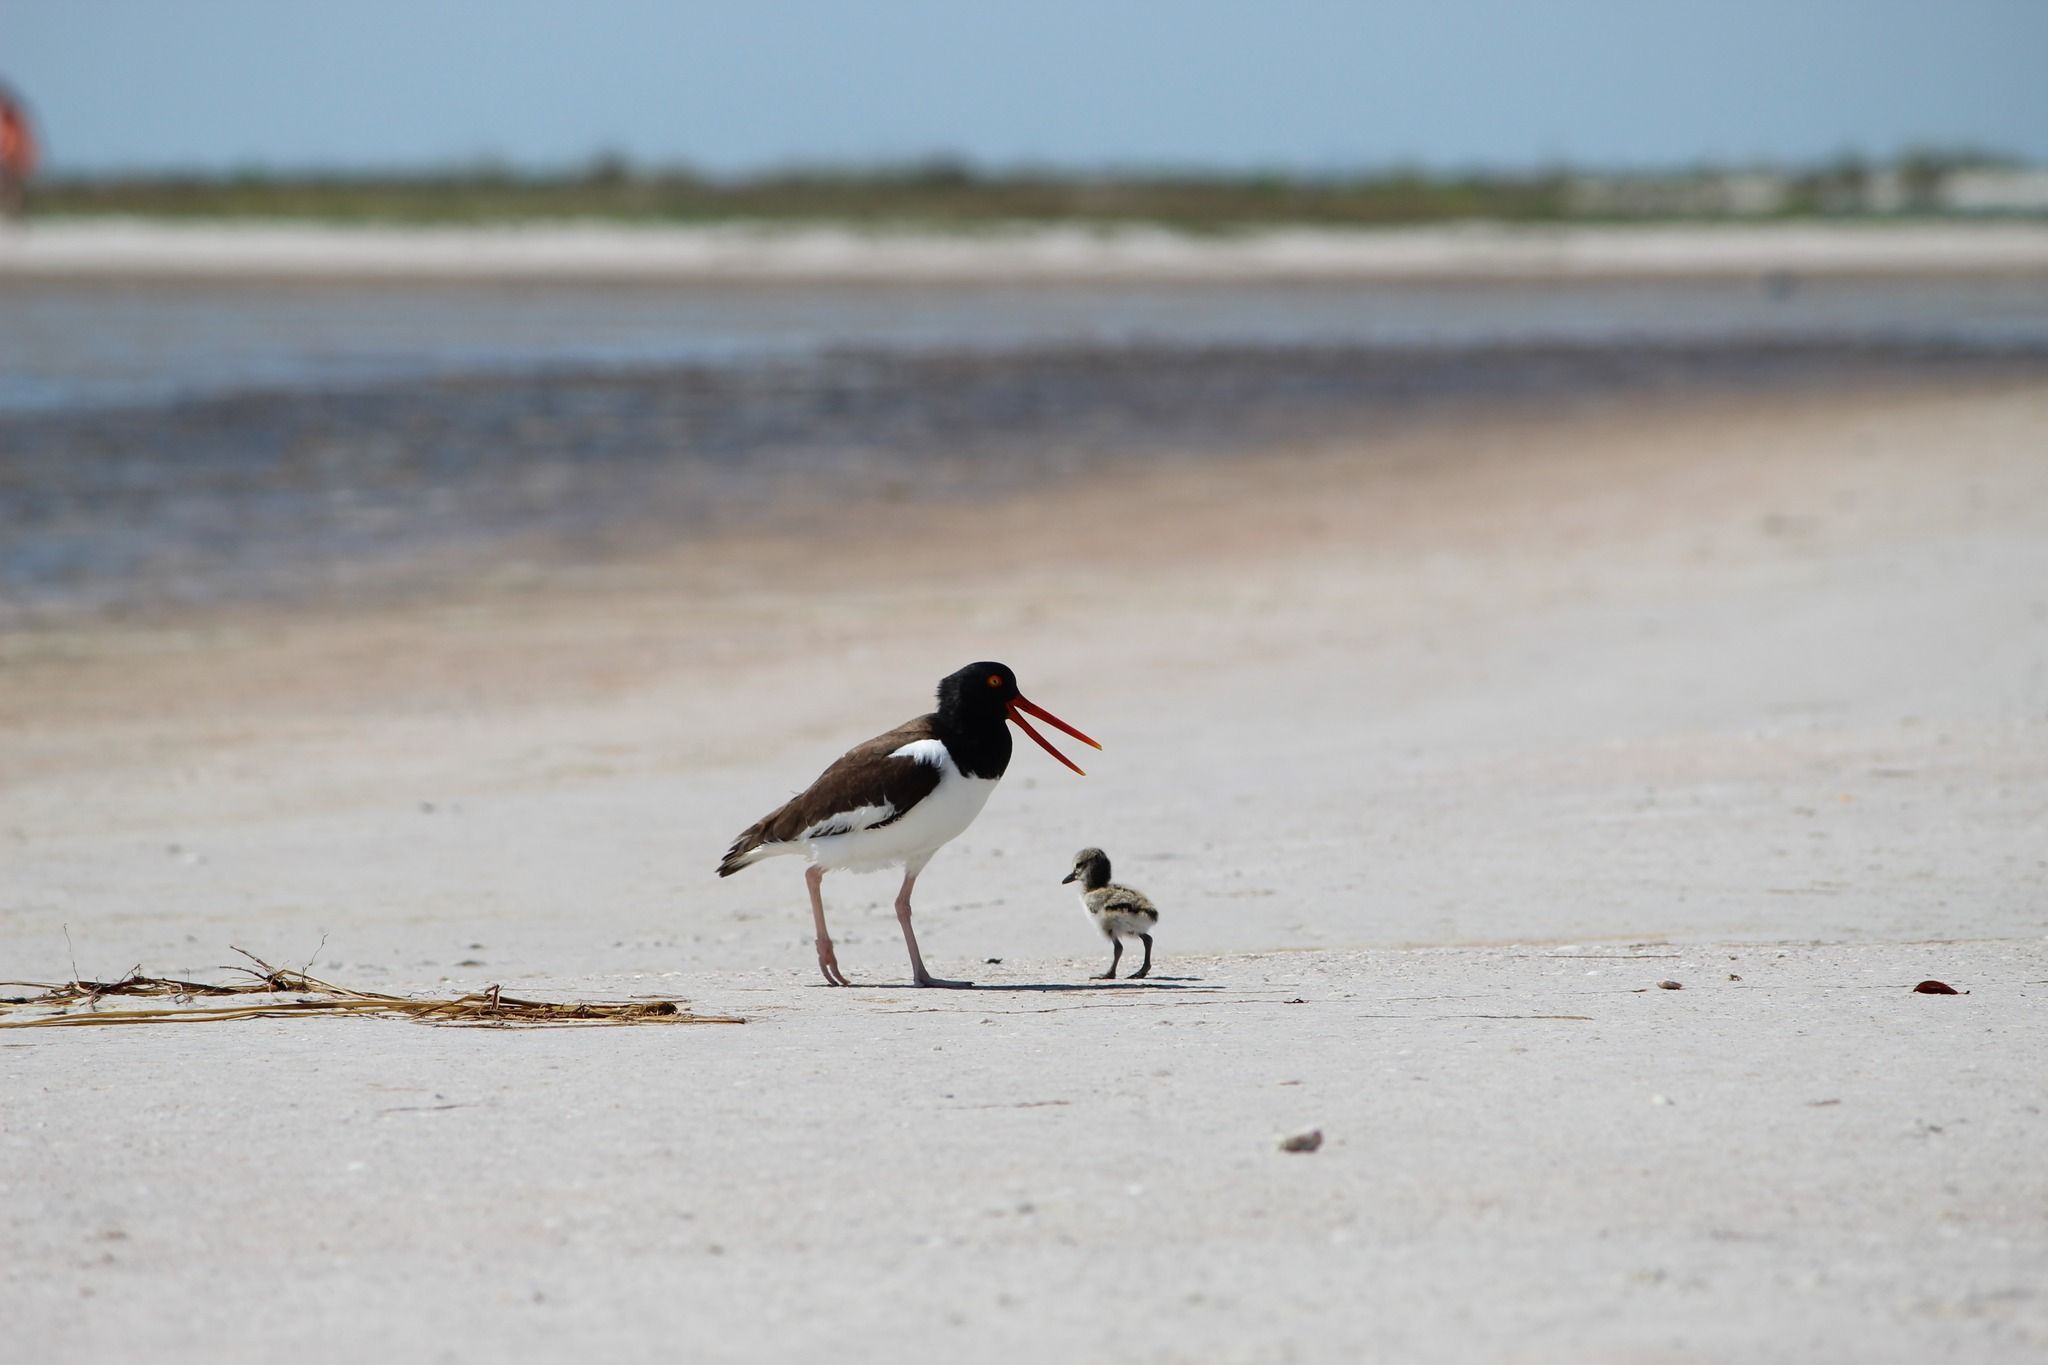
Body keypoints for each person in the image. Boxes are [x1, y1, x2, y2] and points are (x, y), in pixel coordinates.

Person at [0, 83, 39, 219]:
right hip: (9, 155)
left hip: (14, 155)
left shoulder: (14, 117)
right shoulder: (9, 117)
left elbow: (23, 139)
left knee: (15, 186)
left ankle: (16, 212)